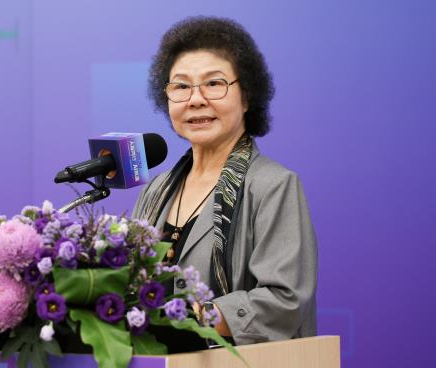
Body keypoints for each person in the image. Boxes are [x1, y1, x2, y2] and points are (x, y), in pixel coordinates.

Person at [132, 16, 317, 350]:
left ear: (246, 97)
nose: (196, 99)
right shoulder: (155, 190)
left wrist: (193, 317)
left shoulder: (273, 185)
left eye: (214, 84)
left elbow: (284, 300)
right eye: (181, 86)